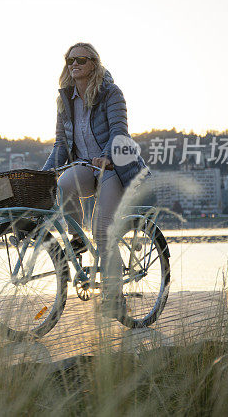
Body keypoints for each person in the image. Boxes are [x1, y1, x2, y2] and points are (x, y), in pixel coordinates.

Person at [41, 42, 148, 318]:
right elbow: (60, 145)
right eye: (69, 60)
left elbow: (119, 132)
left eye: (81, 59)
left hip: (112, 167)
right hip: (85, 167)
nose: (74, 64)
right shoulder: (65, 100)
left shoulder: (111, 94)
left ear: (94, 64)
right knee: (63, 183)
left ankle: (115, 300)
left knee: (103, 231)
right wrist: (43, 175)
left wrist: (104, 156)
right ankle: (77, 239)